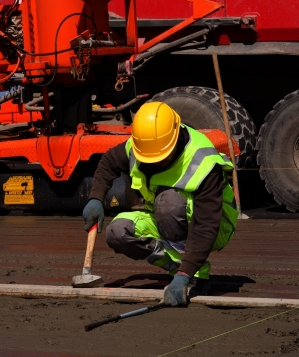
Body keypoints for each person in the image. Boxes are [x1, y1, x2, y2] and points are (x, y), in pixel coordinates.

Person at [82, 101, 239, 307]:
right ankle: (175, 267)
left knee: (168, 202)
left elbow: (206, 225)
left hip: (216, 224)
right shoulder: (141, 146)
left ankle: (195, 276)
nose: (154, 162)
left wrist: (186, 274)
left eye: (160, 158)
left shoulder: (202, 160)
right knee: (118, 232)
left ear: (175, 140)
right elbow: (109, 161)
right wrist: (96, 197)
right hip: (165, 216)